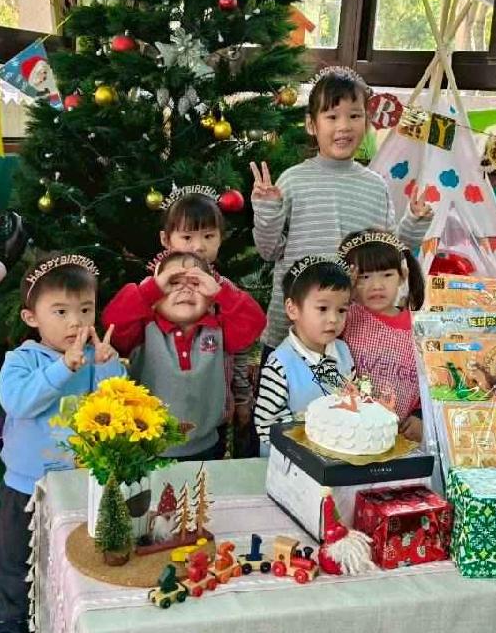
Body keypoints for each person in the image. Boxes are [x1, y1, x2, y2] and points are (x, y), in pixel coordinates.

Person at [0, 253, 123, 633]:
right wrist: (64, 368)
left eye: (85, 310)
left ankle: (76, 622)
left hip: (82, 482)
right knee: (15, 558)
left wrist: (108, 369)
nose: (75, 322)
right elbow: (19, 402)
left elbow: (116, 411)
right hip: (27, 485)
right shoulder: (22, 360)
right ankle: (10, 624)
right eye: (60, 312)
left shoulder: (97, 356)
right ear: (31, 317)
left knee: (76, 555)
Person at [252, 65, 432, 356]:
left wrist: (413, 223)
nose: (344, 126)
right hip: (292, 333)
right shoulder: (293, 181)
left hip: (353, 334)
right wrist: (267, 211)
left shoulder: (375, 186)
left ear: (367, 122)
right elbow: (268, 250)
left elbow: (388, 255)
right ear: (312, 125)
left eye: (354, 116)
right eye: (332, 116)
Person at [103, 250, 265, 461]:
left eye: (196, 283)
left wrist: (221, 292)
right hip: (146, 446)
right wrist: (150, 289)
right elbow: (112, 321)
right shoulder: (143, 330)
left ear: (210, 300)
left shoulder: (220, 330)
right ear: (154, 299)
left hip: (208, 445)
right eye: (173, 282)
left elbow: (255, 322)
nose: (185, 289)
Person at [157, 185, 255, 452]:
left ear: (221, 237)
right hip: (156, 417)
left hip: (212, 415)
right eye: (187, 237)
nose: (199, 246)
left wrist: (242, 396)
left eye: (209, 236)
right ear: (166, 239)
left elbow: (242, 342)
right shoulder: (153, 290)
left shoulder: (225, 291)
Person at [253, 256, 354, 457]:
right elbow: (266, 426)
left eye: (342, 310)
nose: (333, 319)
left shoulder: (343, 352)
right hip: (291, 462)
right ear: (292, 309)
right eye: (322, 309)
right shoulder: (280, 365)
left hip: (336, 456)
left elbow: (352, 399)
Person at [339, 229, 425, 442]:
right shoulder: (344, 317)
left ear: (402, 275)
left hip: (400, 438)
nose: (376, 286)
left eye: (387, 275)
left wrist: (420, 416)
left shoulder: (421, 328)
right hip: (349, 433)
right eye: (364, 277)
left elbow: (431, 383)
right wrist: (343, 294)